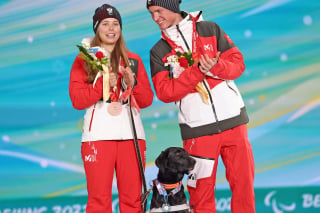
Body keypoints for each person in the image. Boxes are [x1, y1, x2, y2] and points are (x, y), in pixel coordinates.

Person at [146, 0, 255, 213]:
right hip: (197, 131)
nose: (155, 18)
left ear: (172, 6)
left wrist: (217, 65)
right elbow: (165, 93)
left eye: (159, 10)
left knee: (244, 186)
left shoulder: (210, 29)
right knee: (201, 194)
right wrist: (196, 71)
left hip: (234, 123)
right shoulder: (159, 51)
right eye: (151, 13)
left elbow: (238, 64)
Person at [69, 3, 154, 212]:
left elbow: (146, 100)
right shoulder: (84, 59)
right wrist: (101, 85)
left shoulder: (132, 59)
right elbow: (77, 100)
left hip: (132, 137)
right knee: (99, 202)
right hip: (98, 137)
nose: (111, 28)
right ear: (96, 28)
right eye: (105, 24)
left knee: (134, 201)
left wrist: (132, 84)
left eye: (116, 24)